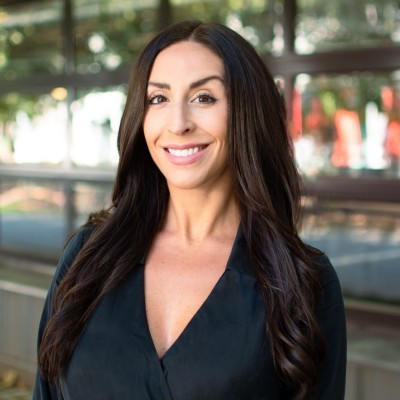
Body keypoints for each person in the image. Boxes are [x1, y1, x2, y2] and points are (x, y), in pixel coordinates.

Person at [33, 20, 346, 400]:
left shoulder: (302, 281)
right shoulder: (86, 257)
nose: (178, 124)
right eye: (158, 99)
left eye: (204, 98)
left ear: (248, 113)